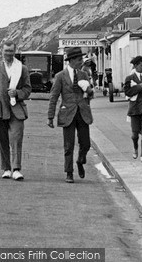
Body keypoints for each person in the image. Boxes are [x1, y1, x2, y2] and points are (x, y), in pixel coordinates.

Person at [0, 40, 32, 181]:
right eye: (6, 51)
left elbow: (28, 89)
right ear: (2, 52)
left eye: (11, 51)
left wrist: (17, 93)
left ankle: (16, 169)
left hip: (17, 110)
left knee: (16, 138)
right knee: (2, 140)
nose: (8, 54)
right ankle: (6, 168)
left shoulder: (22, 68)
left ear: (15, 51)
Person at [47, 47, 94, 183]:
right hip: (67, 113)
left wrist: (89, 91)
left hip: (82, 113)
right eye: (79, 60)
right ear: (72, 60)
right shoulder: (60, 76)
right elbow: (54, 97)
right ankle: (69, 172)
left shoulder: (84, 75)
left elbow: (89, 95)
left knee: (85, 143)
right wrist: (50, 117)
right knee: (69, 145)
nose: (81, 62)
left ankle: (80, 160)